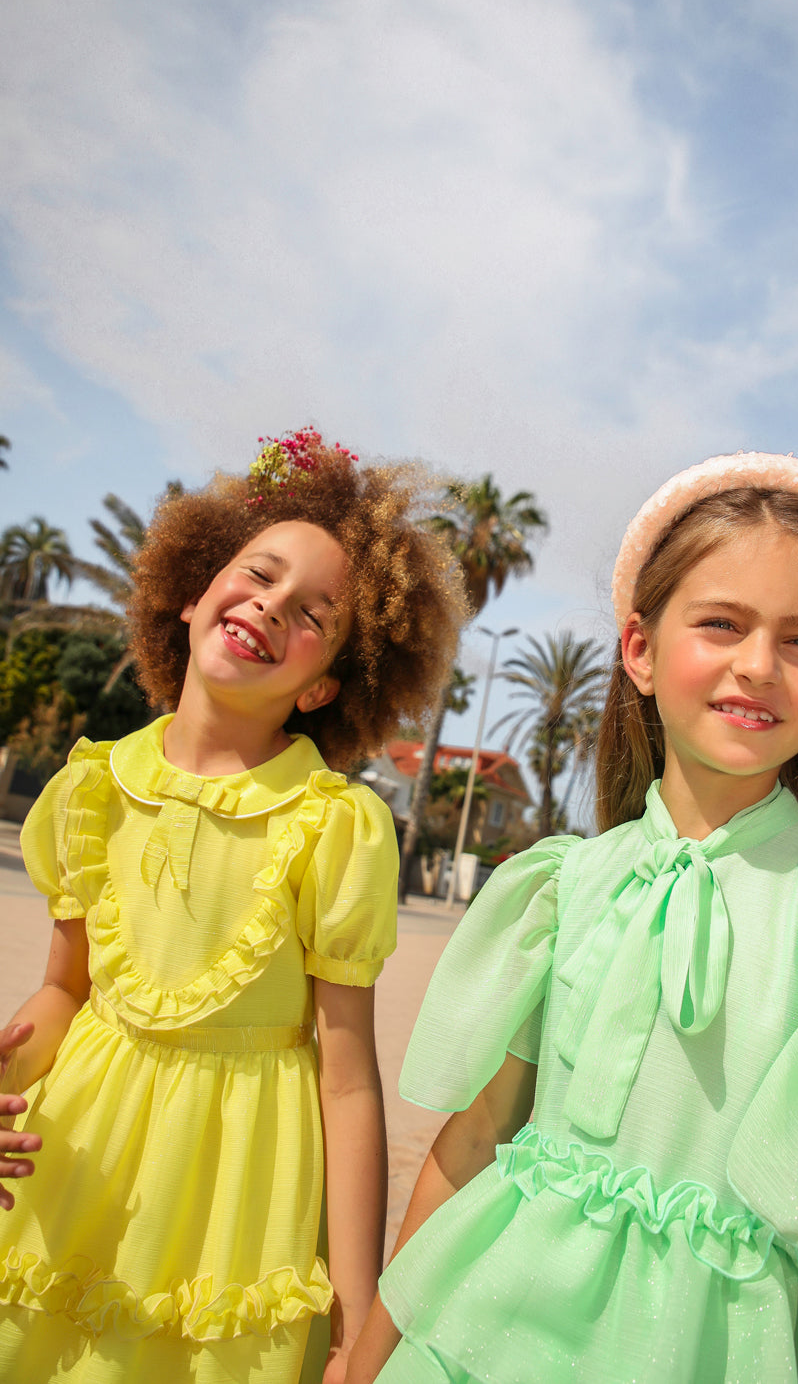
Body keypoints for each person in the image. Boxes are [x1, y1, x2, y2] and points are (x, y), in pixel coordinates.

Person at [346, 452, 798, 1384]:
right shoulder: (557, 890)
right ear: (640, 651)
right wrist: (369, 1359)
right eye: (722, 623)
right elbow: (471, 1146)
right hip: (475, 1338)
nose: (758, 665)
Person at [0, 429, 466, 1384]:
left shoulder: (333, 827)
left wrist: (354, 1308)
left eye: (313, 614)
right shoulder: (90, 791)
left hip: (237, 1205)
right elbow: (63, 992)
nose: (270, 606)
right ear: (192, 588)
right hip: (74, 1162)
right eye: (257, 575)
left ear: (326, 684)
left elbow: (347, 1081)